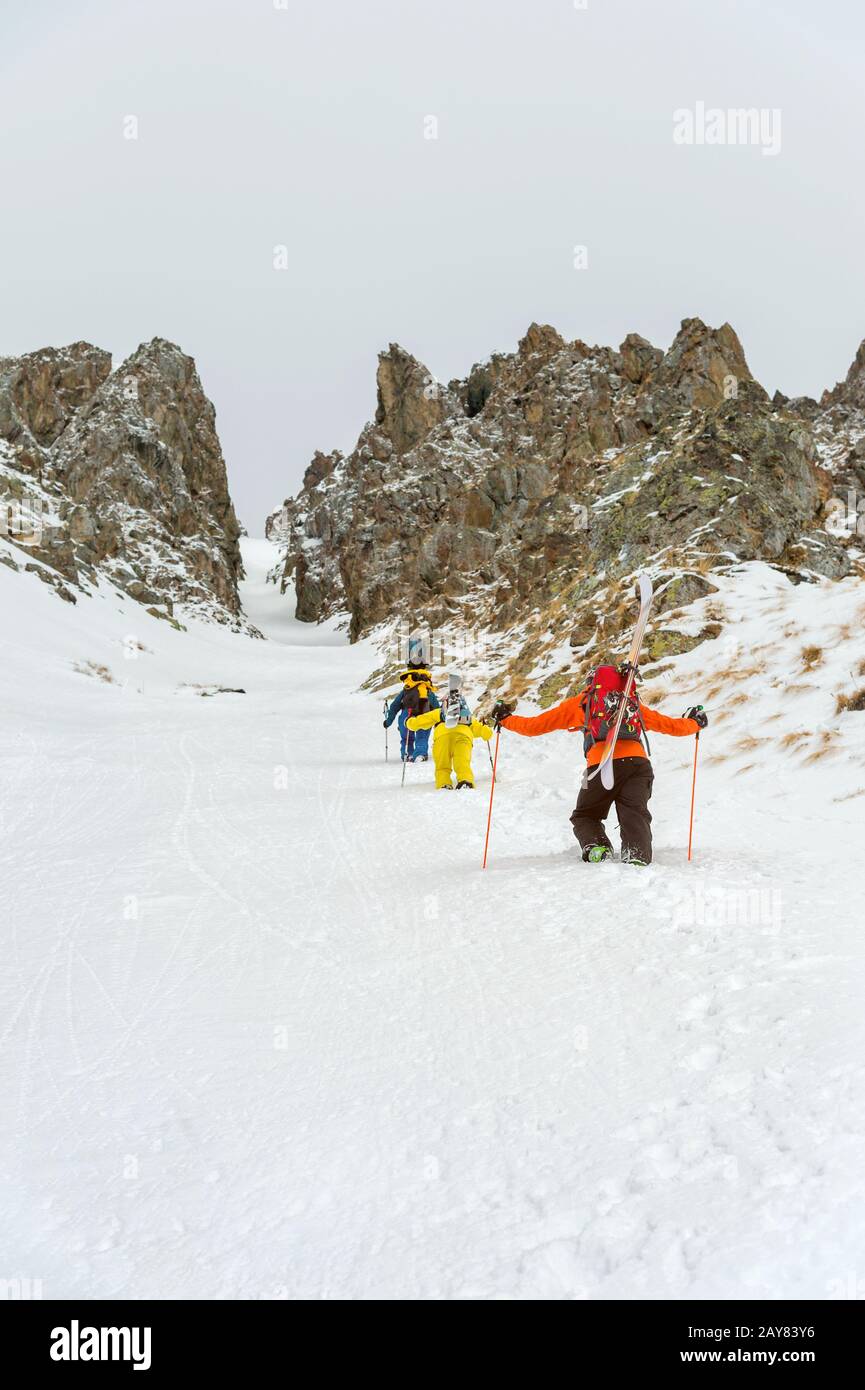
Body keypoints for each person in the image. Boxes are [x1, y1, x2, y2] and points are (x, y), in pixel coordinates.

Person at [491, 670, 707, 864]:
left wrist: (505, 718)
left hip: (599, 766)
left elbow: (533, 727)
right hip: (637, 765)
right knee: (634, 813)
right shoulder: (629, 705)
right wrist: (695, 723)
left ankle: (597, 847)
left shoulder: (582, 703)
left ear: (591, 683)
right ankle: (637, 855)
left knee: (585, 814)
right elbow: (671, 726)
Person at [407, 687, 493, 789]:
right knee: (462, 763)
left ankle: (444, 784)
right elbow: (487, 733)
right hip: (463, 737)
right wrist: (486, 729)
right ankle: (466, 781)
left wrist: (409, 721)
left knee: (442, 766)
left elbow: (417, 723)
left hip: (442, 738)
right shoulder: (468, 717)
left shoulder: (439, 713)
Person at [383, 661, 438, 762]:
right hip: (424, 714)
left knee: (406, 738)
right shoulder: (427, 690)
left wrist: (388, 721)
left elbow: (394, 706)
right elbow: (437, 708)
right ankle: (420, 754)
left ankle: (407, 754)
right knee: (422, 736)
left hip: (406, 715)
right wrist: (439, 722)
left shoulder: (406, 690)